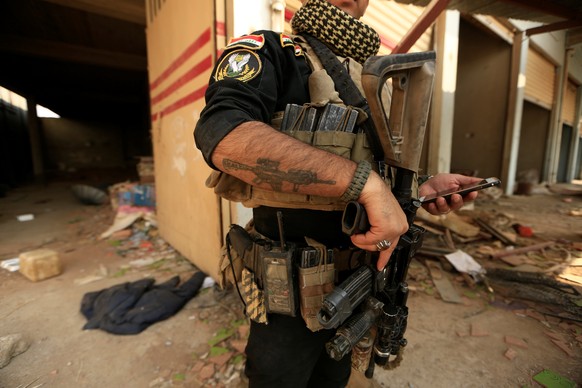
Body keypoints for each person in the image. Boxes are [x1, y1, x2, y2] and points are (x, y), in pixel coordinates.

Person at [194, 0, 483, 386]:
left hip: (360, 281)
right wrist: (365, 185)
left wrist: (421, 187)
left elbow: (372, 164)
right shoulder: (271, 49)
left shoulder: (372, 76)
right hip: (288, 289)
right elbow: (223, 135)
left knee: (334, 377)